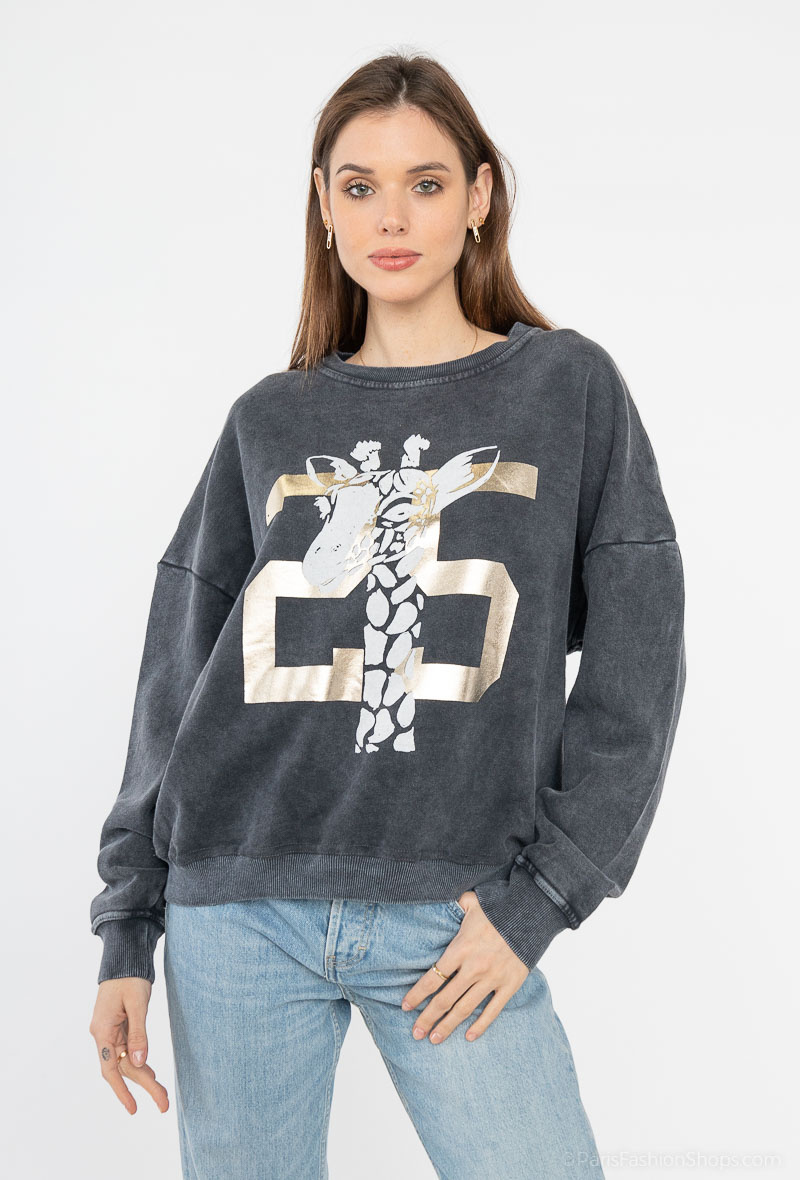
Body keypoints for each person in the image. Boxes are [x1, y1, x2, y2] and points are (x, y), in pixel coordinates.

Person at [88, 51, 687, 1179]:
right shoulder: (268, 418)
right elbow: (179, 668)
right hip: (238, 908)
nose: (391, 218)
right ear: (323, 205)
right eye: (359, 186)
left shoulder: (566, 389)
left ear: (479, 196)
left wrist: (545, 895)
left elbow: (638, 664)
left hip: (456, 911)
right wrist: (128, 924)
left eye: (425, 183)